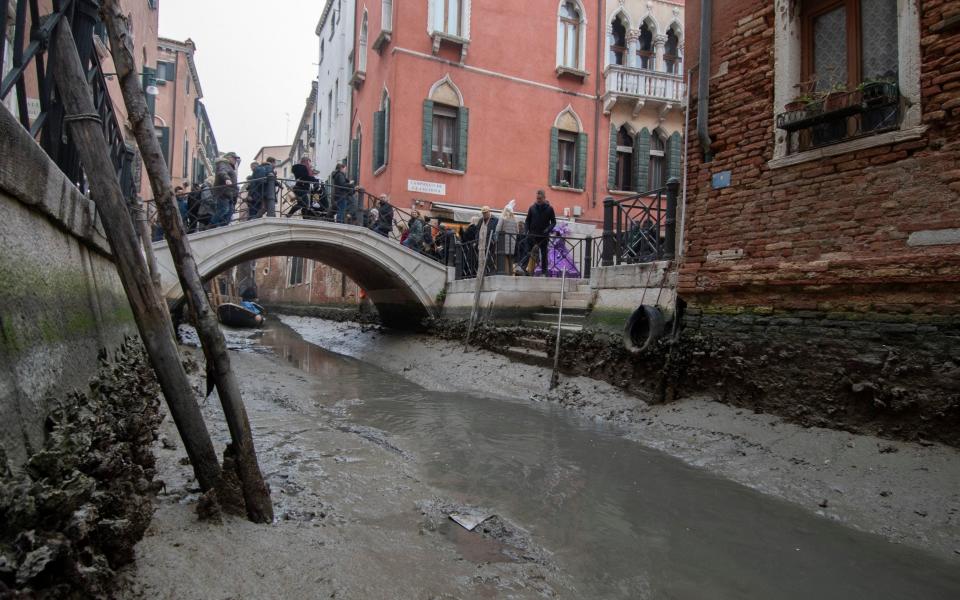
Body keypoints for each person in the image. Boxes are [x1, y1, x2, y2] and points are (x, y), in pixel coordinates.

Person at [525, 189, 556, 276]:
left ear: (544, 198)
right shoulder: (532, 208)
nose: (538, 200)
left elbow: (553, 222)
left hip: (544, 236)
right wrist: (526, 230)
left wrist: (548, 229)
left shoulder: (550, 209)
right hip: (533, 235)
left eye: (540, 198)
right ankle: (528, 271)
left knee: (544, 253)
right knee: (530, 253)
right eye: (537, 198)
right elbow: (527, 221)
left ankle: (544, 272)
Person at [213, 152, 240, 227]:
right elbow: (222, 171)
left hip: (229, 193)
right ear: (229, 157)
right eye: (234, 158)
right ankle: (212, 224)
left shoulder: (229, 166)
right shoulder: (223, 163)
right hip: (222, 192)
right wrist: (227, 179)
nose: (235, 160)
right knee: (224, 209)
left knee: (230, 211)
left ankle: (222, 226)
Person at [496, 206, 519, 275]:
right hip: (512, 242)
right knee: (511, 259)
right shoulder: (515, 220)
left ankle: (506, 275)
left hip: (503, 242)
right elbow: (517, 231)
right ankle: (511, 274)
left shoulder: (503, 218)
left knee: (505, 259)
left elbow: (497, 229)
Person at [478, 206, 499, 274]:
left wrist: (493, 240)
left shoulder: (495, 219)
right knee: (481, 259)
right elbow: (477, 231)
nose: (484, 214)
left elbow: (496, 231)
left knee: (491, 258)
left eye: (485, 212)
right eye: (483, 213)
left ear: (489, 212)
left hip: (491, 243)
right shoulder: (481, 220)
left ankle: (491, 272)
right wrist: (476, 240)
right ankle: (483, 272)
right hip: (481, 243)